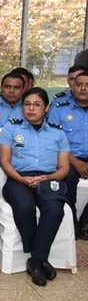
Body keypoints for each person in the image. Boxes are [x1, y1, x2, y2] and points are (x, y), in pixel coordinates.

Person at [0, 87, 70, 286]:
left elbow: (64, 167)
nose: (31, 108)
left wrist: (48, 177)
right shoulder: (11, 128)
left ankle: (35, 260)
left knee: (55, 209)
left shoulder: (57, 132)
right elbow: (5, 162)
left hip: (48, 178)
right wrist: (22, 180)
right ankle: (40, 257)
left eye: (37, 105)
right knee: (24, 207)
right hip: (17, 178)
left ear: (46, 108)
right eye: (27, 104)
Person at [48, 71, 88, 239]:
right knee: (68, 179)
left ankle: (86, 220)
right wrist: (76, 162)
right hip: (67, 157)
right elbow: (52, 140)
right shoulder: (59, 108)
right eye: (79, 85)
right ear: (72, 87)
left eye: (87, 85)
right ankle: (72, 223)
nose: (83, 88)